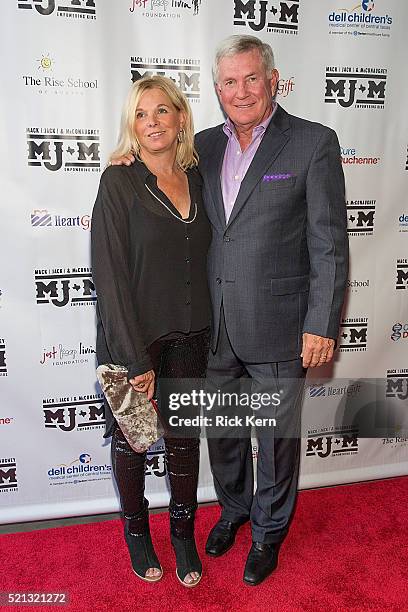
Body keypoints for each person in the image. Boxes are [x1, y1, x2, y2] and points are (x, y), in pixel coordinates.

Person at [112, 34, 349, 586]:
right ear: (216, 90)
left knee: (275, 439)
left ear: (272, 80)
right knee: (222, 434)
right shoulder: (206, 147)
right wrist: (131, 158)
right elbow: (162, 171)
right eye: (228, 82)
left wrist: (321, 321)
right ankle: (235, 509)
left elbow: (329, 243)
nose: (240, 91)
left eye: (250, 79)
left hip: (281, 323)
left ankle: (268, 531)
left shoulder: (313, 142)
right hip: (212, 327)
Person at [91, 75, 211, 587]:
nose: (153, 122)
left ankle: (182, 533)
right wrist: (134, 358)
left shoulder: (203, 177)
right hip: (134, 338)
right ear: (132, 126)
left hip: (192, 333)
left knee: (184, 440)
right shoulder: (118, 182)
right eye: (142, 115)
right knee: (134, 440)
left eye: (163, 111)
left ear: (181, 117)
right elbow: (109, 274)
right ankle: (137, 530)